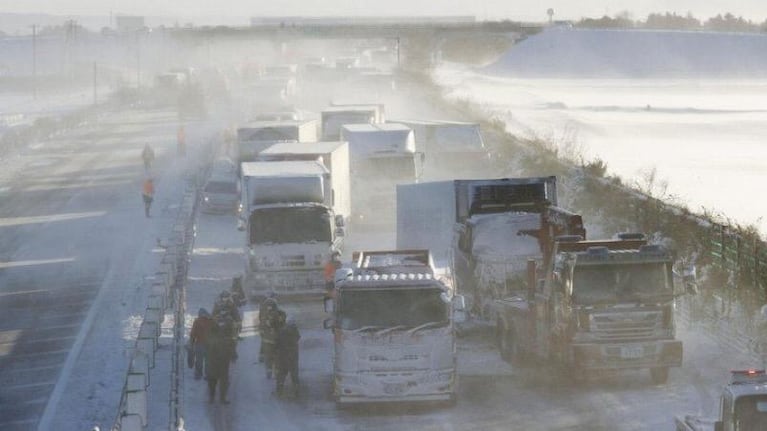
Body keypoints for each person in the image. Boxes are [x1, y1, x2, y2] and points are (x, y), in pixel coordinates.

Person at [205, 320, 237, 404]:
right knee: (222, 380)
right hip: (223, 361)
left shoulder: (212, 334)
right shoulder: (227, 336)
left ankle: (212, 398)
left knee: (213, 379)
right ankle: (221, 398)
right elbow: (232, 347)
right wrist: (233, 356)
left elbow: (207, 346)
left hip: (215, 360)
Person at [275, 317, 301, 398]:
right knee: (294, 374)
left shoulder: (282, 331)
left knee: (281, 374)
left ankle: (279, 391)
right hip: (293, 357)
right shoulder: (295, 331)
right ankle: (296, 390)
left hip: (282, 356)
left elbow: (277, 343)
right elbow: (298, 338)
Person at [189, 308, 214, 380]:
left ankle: (198, 374)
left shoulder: (197, 322)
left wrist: (191, 342)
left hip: (199, 344)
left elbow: (193, 334)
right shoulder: (211, 321)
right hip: (209, 345)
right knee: (208, 360)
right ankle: (208, 375)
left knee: (199, 360)